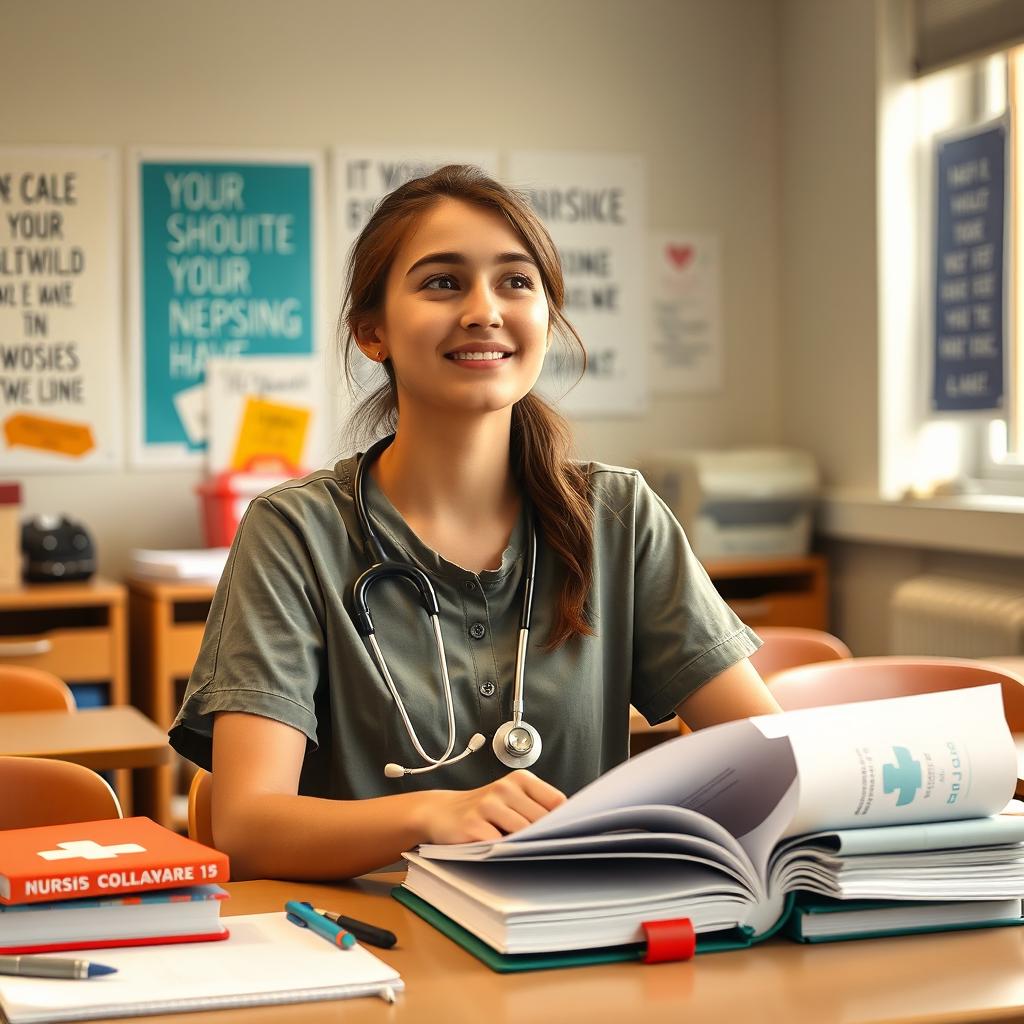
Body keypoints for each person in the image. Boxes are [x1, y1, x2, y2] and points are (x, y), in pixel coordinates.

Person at [169, 164, 781, 881]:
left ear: (547, 322)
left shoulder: (617, 518)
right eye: (442, 282)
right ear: (372, 332)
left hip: (576, 942)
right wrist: (429, 815)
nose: (484, 310)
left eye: (516, 282)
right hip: (375, 957)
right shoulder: (294, 534)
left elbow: (772, 758)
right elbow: (248, 826)